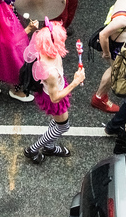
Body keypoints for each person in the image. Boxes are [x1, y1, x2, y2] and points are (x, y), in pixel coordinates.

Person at [23, 21, 86, 164]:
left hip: (56, 87)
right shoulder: (49, 71)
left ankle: (49, 146)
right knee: (63, 126)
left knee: (58, 123)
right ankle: (34, 149)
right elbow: (55, 98)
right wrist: (76, 82)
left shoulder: (46, 50)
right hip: (54, 94)